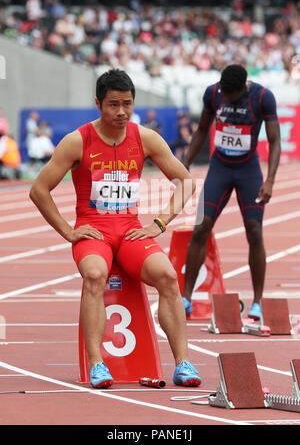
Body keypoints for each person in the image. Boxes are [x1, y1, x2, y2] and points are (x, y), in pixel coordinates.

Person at [29, 68, 201, 389]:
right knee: (95, 274)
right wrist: (68, 231)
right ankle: (97, 364)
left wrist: (159, 223)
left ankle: (183, 363)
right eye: (113, 105)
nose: (121, 112)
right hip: (93, 232)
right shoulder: (77, 141)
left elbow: (186, 181)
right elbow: (38, 189)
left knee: (166, 275)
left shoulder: (145, 137)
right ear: (98, 103)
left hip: (130, 231)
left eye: (127, 104)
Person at [182, 64, 281, 320]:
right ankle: (186, 298)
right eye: (223, 93)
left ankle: (257, 301)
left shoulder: (262, 97)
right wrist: (184, 164)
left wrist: (269, 180)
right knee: (201, 227)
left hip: (248, 171)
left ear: (242, 89)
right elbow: (203, 129)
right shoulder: (213, 93)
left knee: (254, 230)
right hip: (220, 168)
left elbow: (274, 140)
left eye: (230, 95)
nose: (224, 98)